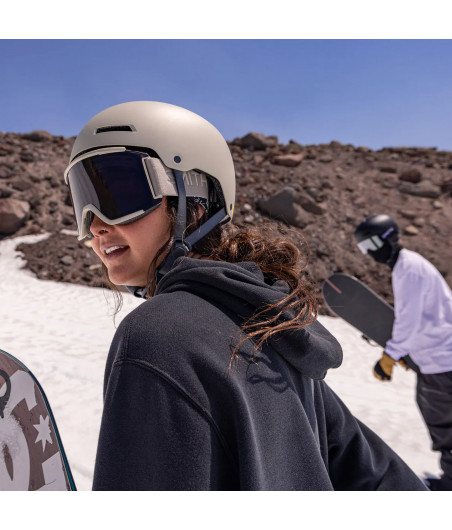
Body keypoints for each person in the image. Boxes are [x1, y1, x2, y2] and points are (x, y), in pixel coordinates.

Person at [64, 101, 426, 490]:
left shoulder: (157, 337)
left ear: (195, 202)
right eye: (84, 200)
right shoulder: (272, 328)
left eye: (119, 194)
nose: (96, 225)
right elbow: (382, 479)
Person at [354, 214, 452, 491]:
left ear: (389, 238)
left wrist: (391, 355)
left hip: (440, 363)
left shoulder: (407, 268)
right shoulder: (411, 264)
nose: (370, 253)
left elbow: (409, 320)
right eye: (363, 248)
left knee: (443, 424)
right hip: (439, 357)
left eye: (371, 244)